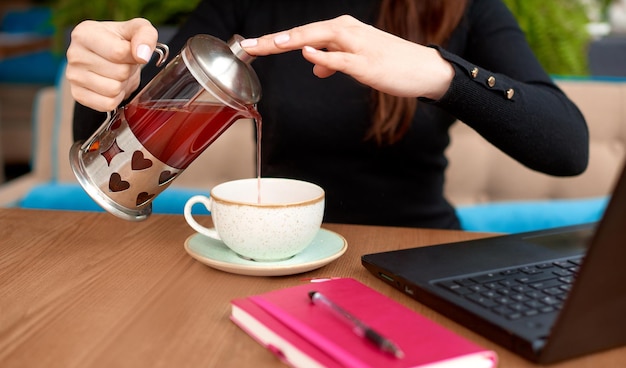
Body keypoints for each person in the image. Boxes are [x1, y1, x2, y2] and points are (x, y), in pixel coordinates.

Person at [66, 0, 589, 229]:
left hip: (415, 254)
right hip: (272, 258)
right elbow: (127, 141)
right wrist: (108, 84)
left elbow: (568, 146)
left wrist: (440, 73)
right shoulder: (249, 2)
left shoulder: (465, 6)